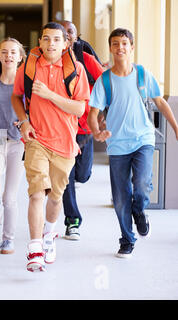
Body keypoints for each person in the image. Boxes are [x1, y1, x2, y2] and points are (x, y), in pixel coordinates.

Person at [87, 28, 178, 258]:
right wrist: (97, 132)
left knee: (141, 184)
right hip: (117, 144)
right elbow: (93, 112)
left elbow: (161, 102)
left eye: (124, 43)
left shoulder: (142, 74)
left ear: (131, 47)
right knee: (119, 197)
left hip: (143, 139)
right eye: (115, 43)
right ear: (110, 48)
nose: (120, 47)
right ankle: (127, 239)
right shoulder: (104, 80)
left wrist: (176, 127)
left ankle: (139, 211)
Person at [11, 22, 90, 272]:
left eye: (57, 39)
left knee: (55, 198)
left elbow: (79, 108)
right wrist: (23, 121)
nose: (51, 44)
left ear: (66, 43)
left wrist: (48, 95)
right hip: (36, 140)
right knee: (36, 193)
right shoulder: (29, 67)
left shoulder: (75, 70)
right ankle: (35, 248)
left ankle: (49, 233)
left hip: (65, 144)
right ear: (40, 42)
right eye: (46, 39)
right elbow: (16, 96)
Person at [60, 20, 105, 241]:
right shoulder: (45, 62)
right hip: (59, 127)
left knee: (82, 175)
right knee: (66, 176)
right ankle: (72, 220)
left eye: (70, 32)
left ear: (76, 38)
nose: (66, 35)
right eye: (62, 31)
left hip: (84, 126)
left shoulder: (86, 60)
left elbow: (106, 82)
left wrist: (102, 112)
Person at [0, 37, 26, 254]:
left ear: (20, 57)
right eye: (4, 52)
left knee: (10, 197)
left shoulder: (26, 82)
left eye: (13, 52)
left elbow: (34, 111)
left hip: (18, 142)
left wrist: (26, 121)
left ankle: (8, 239)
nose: (8, 55)